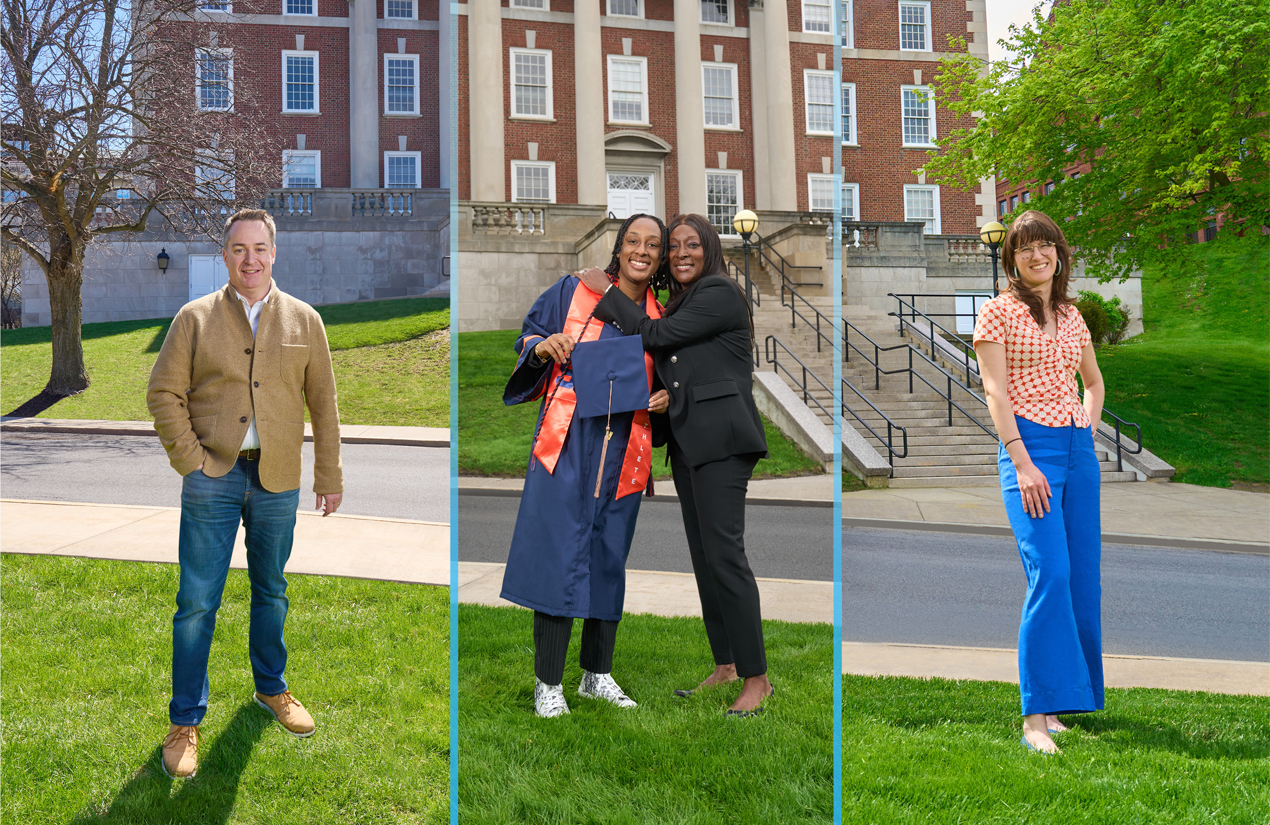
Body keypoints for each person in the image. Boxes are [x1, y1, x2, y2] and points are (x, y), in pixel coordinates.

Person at [147, 208, 344, 778]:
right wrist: (192, 461)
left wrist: (328, 476)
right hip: (213, 476)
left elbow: (324, 405)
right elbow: (163, 393)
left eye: (259, 248)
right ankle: (185, 720)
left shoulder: (305, 320)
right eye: (239, 249)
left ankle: (271, 689)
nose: (250, 259)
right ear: (225, 255)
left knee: (272, 592)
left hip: (277, 480)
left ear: (274, 253)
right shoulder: (194, 318)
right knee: (196, 602)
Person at [578, 213, 773, 716]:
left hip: (723, 443)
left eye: (692, 245)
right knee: (706, 560)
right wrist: (665, 401)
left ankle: (756, 679)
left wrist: (606, 291)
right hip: (690, 444)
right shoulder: (683, 300)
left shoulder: (719, 292)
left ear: (710, 249)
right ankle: (725, 665)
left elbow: (654, 335)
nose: (682, 254)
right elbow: (684, 369)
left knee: (726, 558)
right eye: (675, 247)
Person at [502, 213, 671, 718]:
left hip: (625, 447)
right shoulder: (575, 290)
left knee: (608, 558)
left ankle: (597, 675)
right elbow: (529, 336)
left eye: (653, 245)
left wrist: (666, 398)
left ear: (660, 258)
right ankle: (548, 684)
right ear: (619, 248)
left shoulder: (661, 318)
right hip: (568, 442)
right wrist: (542, 348)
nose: (641, 251)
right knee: (558, 555)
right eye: (633, 241)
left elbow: (670, 380)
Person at [972, 209, 1105, 754]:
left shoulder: (1072, 315)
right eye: (1024, 247)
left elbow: (1093, 382)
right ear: (1012, 259)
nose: (1036, 254)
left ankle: (1062, 703)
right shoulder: (997, 313)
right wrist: (1023, 462)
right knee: (1049, 573)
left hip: (1077, 450)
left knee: (1081, 580)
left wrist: (1086, 425)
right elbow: (995, 392)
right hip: (1029, 448)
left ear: (1059, 252)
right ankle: (1034, 719)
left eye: (1044, 244)